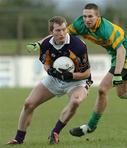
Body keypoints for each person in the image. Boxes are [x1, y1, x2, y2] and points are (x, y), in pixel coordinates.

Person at [27, 3, 127, 138]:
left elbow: (121, 51)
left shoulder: (108, 29)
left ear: (98, 17)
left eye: (90, 16)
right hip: (115, 55)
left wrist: (118, 74)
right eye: (85, 16)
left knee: (102, 90)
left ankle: (90, 126)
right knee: (123, 93)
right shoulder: (80, 24)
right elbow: (58, 33)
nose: (87, 19)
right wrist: (39, 44)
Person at [7, 16, 92, 145]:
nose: (62, 33)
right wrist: (49, 71)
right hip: (55, 78)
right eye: (58, 30)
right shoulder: (46, 44)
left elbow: (87, 73)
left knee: (75, 101)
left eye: (64, 29)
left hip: (77, 81)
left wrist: (71, 76)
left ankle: (55, 132)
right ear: (51, 32)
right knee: (29, 104)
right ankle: (18, 139)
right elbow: (46, 63)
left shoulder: (78, 46)